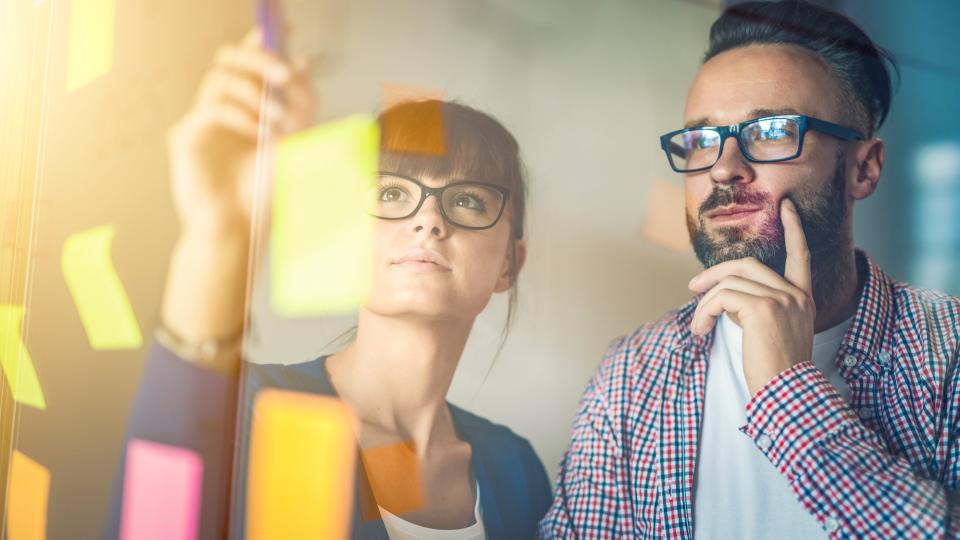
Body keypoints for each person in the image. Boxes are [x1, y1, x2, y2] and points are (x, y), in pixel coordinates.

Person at [104, 28, 551, 539]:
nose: (428, 219)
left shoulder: (517, 469)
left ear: (508, 267)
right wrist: (216, 236)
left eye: (469, 199)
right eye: (389, 192)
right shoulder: (250, 409)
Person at [540, 1, 959, 538]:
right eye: (700, 140)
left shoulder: (949, 354)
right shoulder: (632, 375)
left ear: (864, 167)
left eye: (772, 131)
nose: (723, 168)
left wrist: (790, 393)